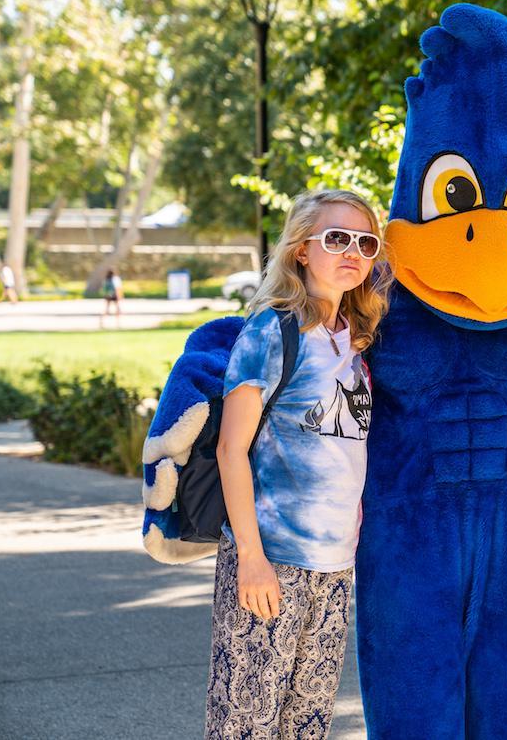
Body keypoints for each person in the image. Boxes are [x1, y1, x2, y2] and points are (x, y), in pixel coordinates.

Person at [206, 189, 391, 740]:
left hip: (334, 568)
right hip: (273, 561)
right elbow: (229, 449)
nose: (352, 251)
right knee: (246, 726)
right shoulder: (272, 331)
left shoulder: (357, 341)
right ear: (302, 250)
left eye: (365, 241)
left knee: (305, 726)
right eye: (336, 238)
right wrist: (251, 558)